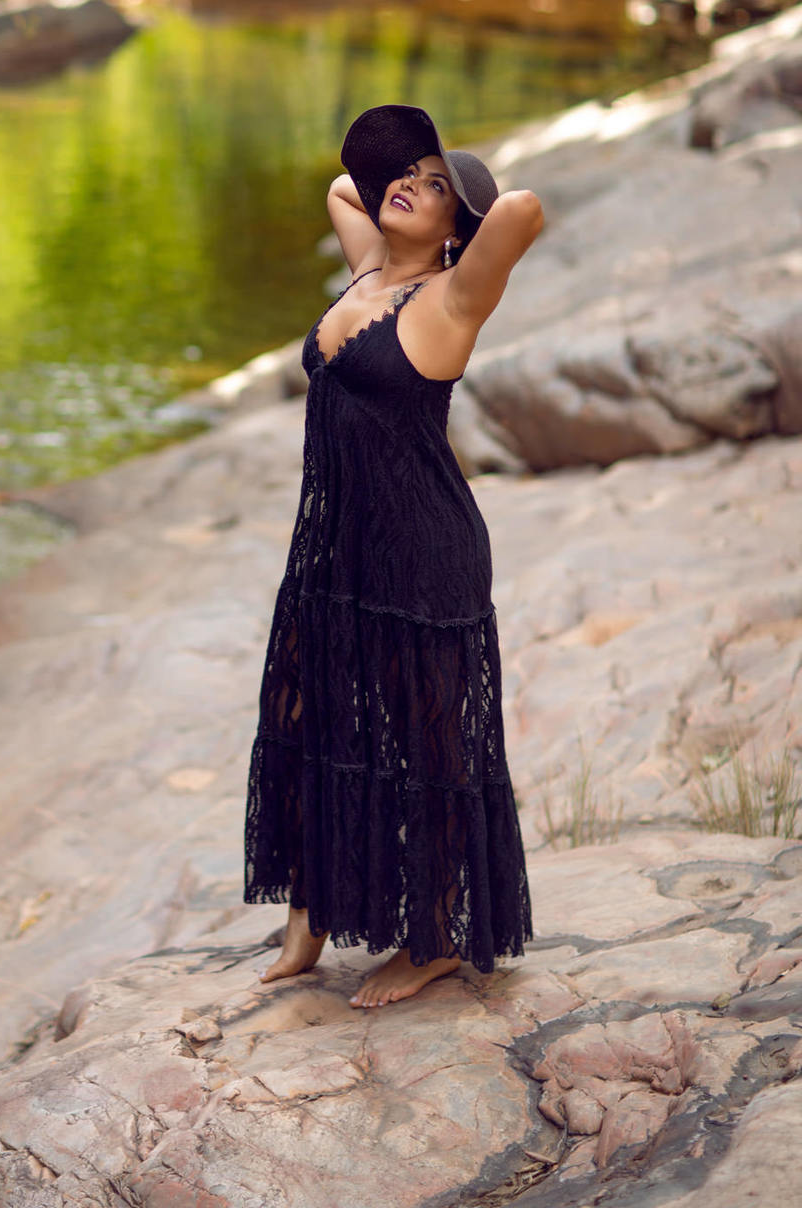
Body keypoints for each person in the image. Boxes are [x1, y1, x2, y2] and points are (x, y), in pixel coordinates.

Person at [243, 104, 543, 1009]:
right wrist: (402, 183)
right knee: (306, 710)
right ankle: (315, 908)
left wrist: (463, 199)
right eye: (403, 178)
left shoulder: (452, 301)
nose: (410, 187)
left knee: (426, 742)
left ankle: (436, 937)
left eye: (434, 184)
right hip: (334, 549)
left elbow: (523, 208)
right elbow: (343, 183)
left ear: (460, 224)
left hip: (423, 554)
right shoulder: (367, 274)